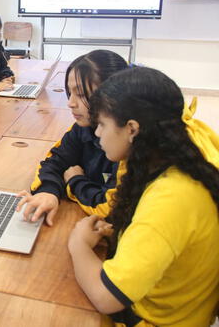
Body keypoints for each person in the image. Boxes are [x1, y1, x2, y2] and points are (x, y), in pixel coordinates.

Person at [68, 67, 219, 326]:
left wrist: (78, 244)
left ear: (132, 129)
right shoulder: (172, 159)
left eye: (102, 124)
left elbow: (107, 297)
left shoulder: (171, 199)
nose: (96, 133)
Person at [16, 50, 128, 225]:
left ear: (113, 95)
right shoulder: (83, 128)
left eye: (81, 94)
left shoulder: (129, 143)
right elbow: (54, 161)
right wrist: (49, 191)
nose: (70, 103)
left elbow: (110, 208)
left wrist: (75, 181)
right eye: (70, 92)